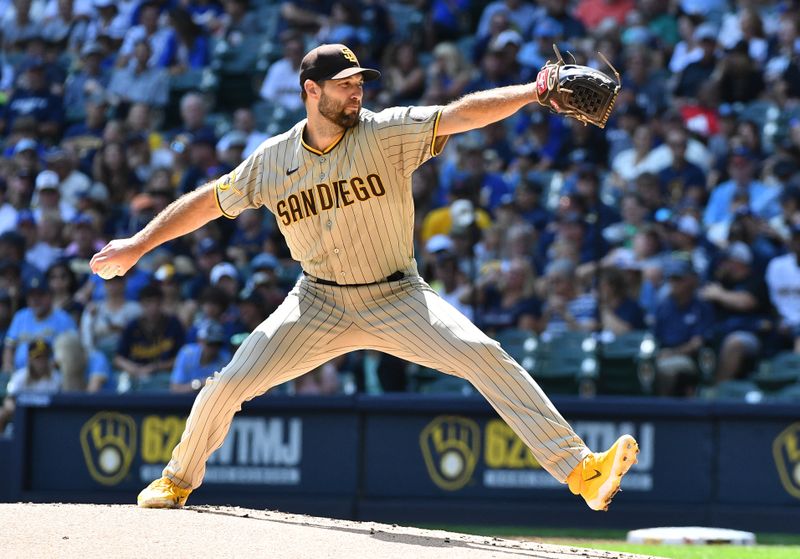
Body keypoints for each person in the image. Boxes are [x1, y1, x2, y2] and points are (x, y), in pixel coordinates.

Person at [90, 43, 638, 511]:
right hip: (316, 303)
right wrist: (140, 244)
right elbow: (208, 203)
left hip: (397, 296)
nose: (357, 93)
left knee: (483, 354)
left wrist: (531, 91)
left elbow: (459, 114)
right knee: (229, 384)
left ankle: (581, 472)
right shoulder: (272, 160)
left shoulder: (384, 133)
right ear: (311, 91)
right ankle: (178, 479)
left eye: (359, 83)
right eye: (344, 84)